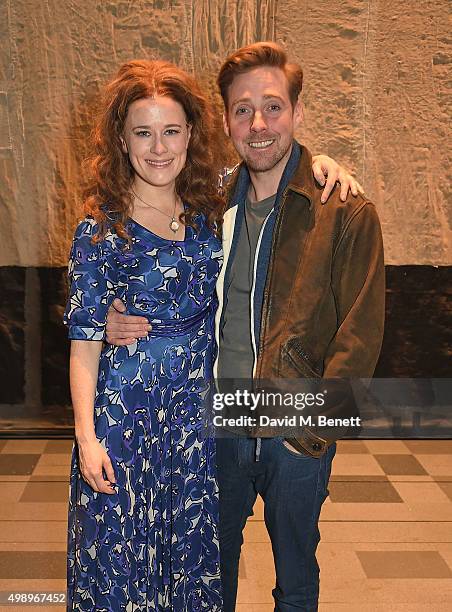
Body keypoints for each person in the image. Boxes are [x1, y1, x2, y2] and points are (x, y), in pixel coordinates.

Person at [106, 42, 385, 612]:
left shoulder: (344, 210)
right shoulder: (208, 203)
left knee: (296, 579)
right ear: (226, 118)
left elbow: (361, 333)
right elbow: (150, 255)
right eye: (242, 109)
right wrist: (113, 313)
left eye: (273, 107)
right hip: (216, 428)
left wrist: (312, 433)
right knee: (210, 575)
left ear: (298, 112)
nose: (259, 124)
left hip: (294, 432)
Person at [63, 59, 225, 611]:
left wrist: (323, 162)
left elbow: (270, 162)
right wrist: (87, 437)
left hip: (193, 428)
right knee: (118, 567)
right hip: (125, 425)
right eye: (143, 132)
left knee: (190, 563)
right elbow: (83, 341)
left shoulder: (209, 209)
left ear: (191, 136)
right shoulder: (100, 229)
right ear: (122, 140)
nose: (159, 147)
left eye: (171, 130)